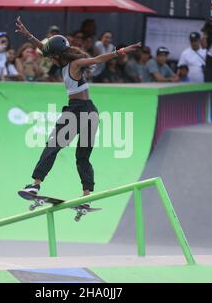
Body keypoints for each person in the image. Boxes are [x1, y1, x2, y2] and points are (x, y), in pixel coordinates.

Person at [15, 16, 140, 197]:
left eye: (50, 55)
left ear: (56, 55)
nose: (47, 56)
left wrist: (120, 51)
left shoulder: (74, 64)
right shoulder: (63, 61)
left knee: (53, 145)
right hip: (91, 112)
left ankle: (35, 185)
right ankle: (87, 194)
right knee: (82, 157)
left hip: (77, 110)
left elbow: (97, 59)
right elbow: (44, 48)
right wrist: (28, 35)